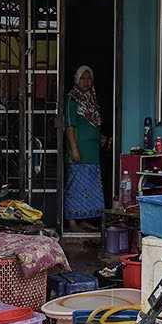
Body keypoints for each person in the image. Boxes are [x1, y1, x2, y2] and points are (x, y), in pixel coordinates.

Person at [64, 65, 106, 232]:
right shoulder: (72, 99)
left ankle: (84, 220)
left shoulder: (91, 99)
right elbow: (70, 126)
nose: (86, 82)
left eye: (89, 78)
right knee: (75, 186)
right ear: (77, 79)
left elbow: (92, 124)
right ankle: (72, 222)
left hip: (92, 153)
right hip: (79, 151)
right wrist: (74, 149)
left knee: (89, 188)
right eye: (83, 78)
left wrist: (100, 137)